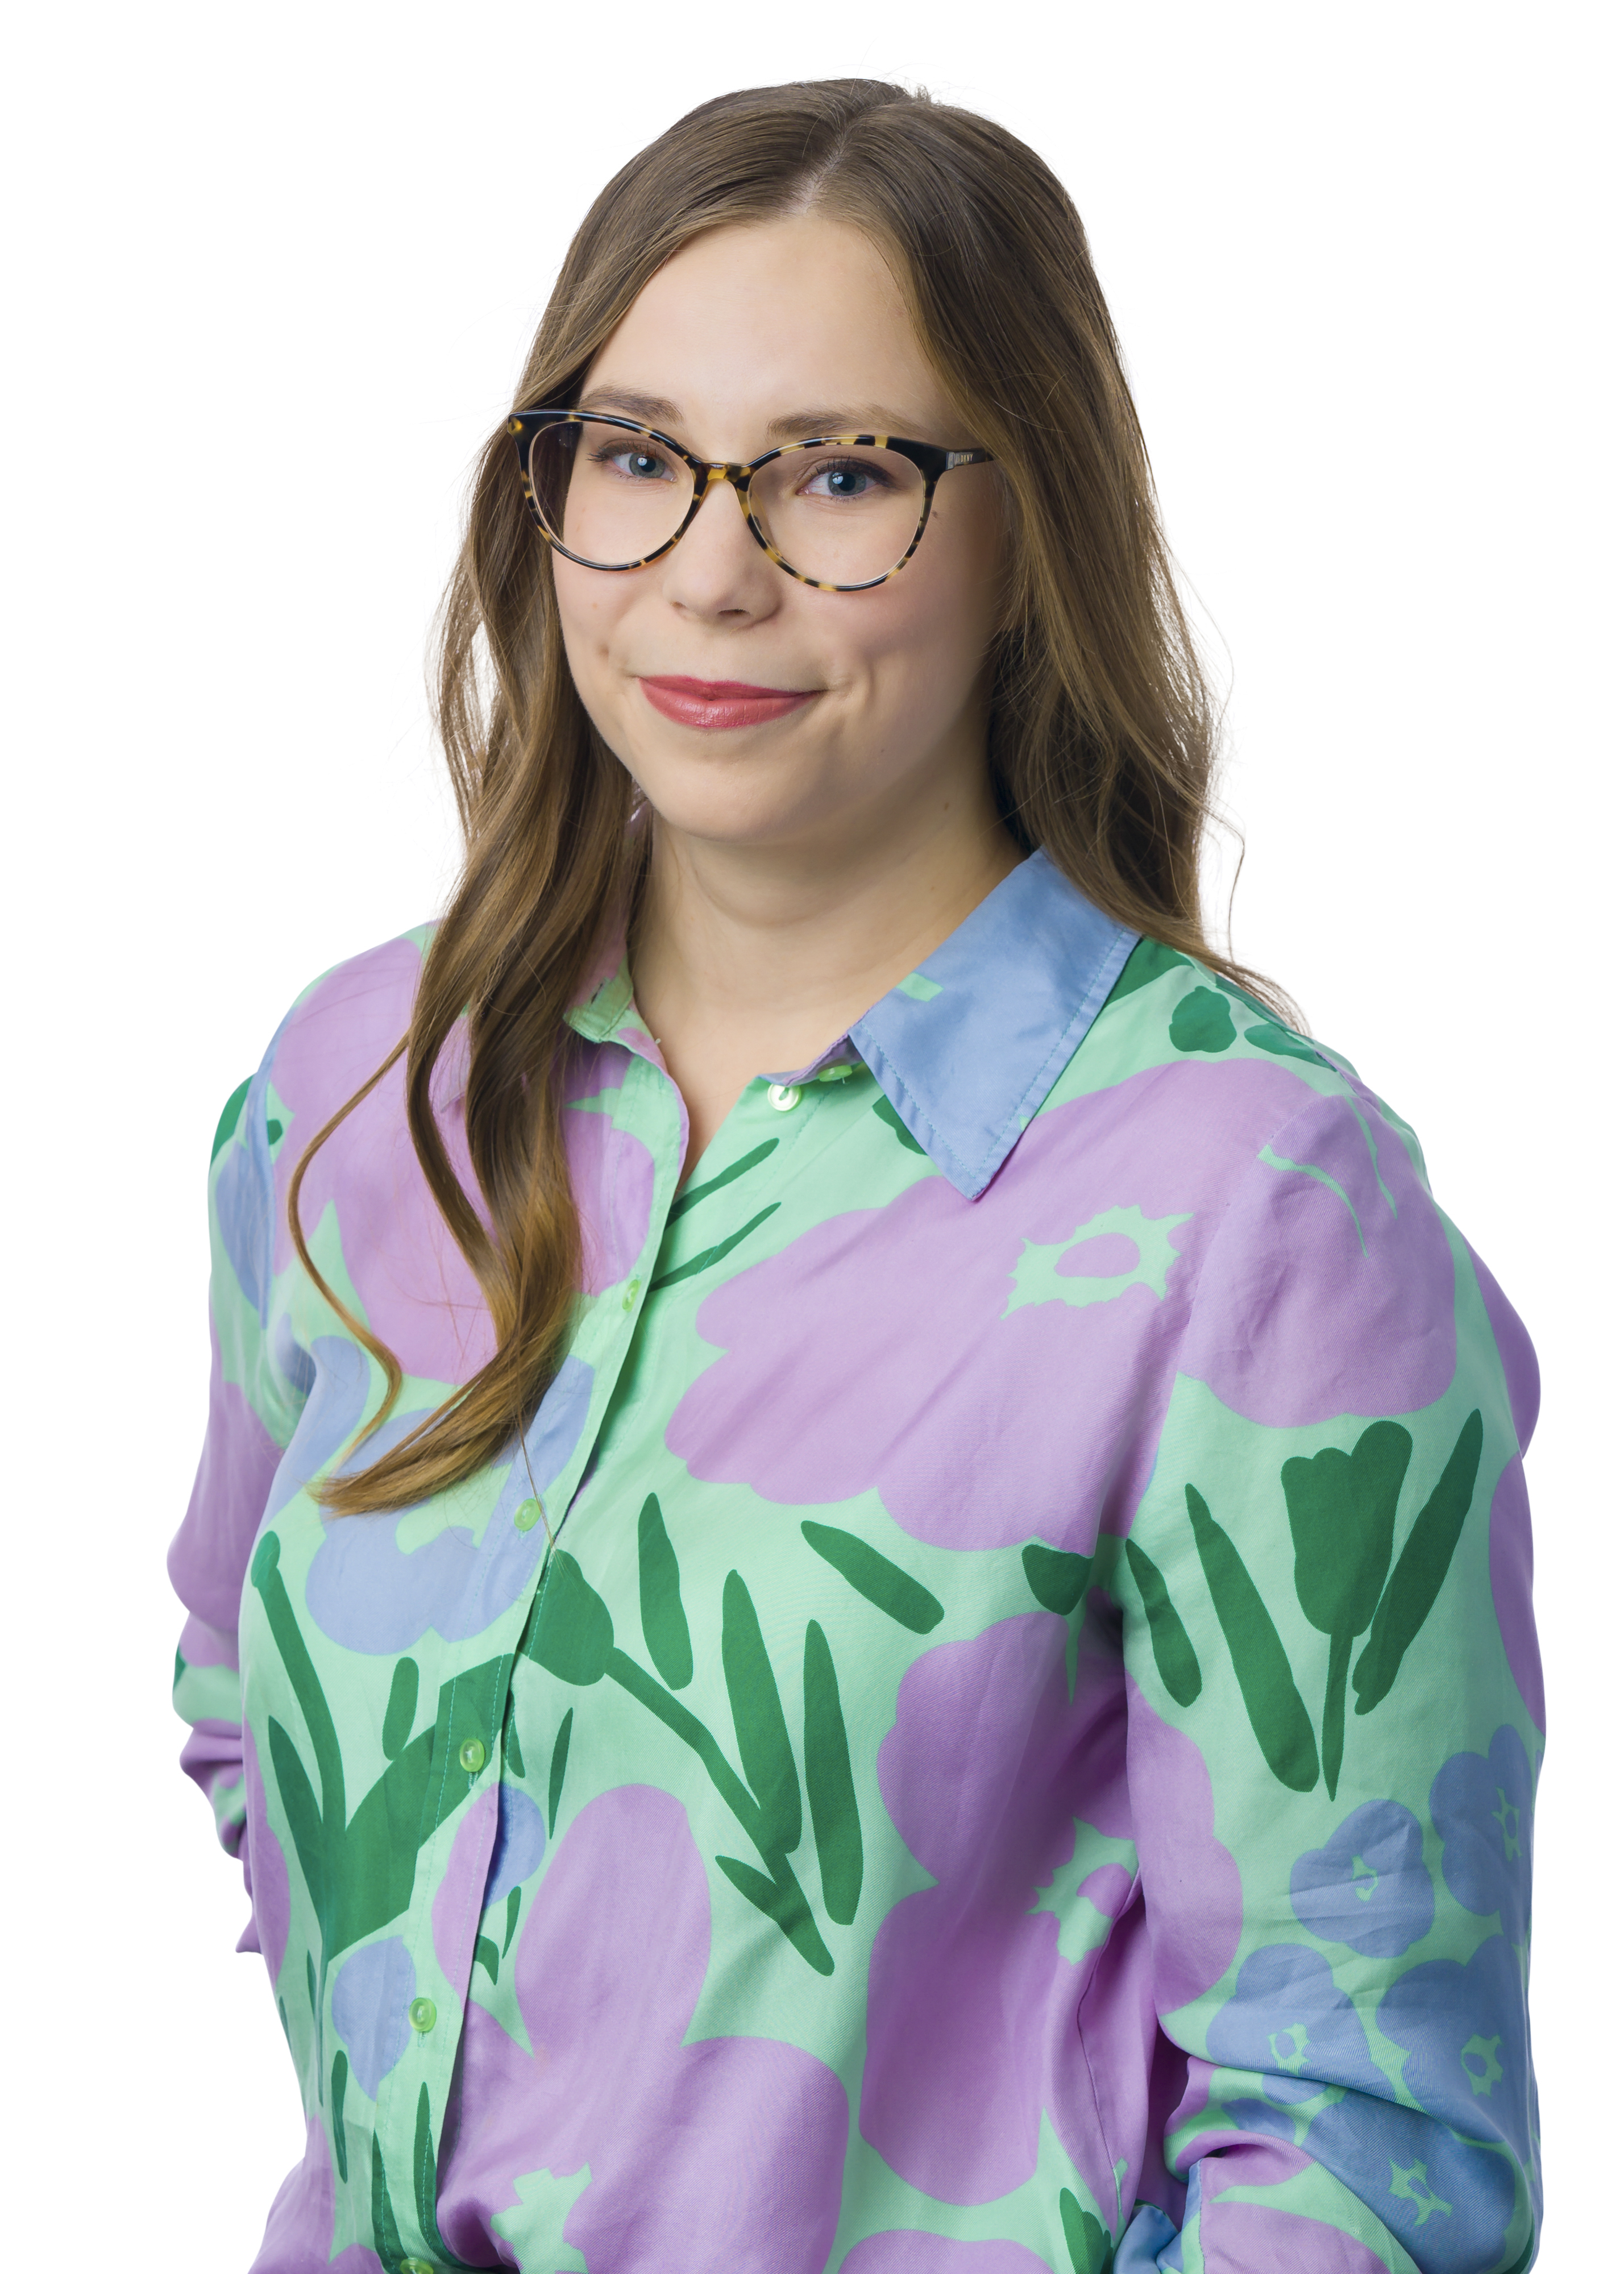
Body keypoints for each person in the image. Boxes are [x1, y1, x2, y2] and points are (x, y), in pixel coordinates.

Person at [169, 77, 1542, 2274]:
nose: (709, 573)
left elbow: (1368, 2146)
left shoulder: (1259, 1217)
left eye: (839, 476)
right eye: (635, 456)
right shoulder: (364, 1088)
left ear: (1032, 533)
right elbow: (252, 1703)